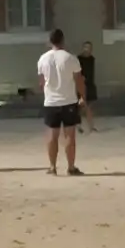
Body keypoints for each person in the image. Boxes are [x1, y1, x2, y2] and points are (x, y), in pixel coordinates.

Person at [36, 28, 85, 175]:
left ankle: (52, 166)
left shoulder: (43, 59)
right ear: (63, 40)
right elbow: (79, 80)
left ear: (50, 42)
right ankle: (70, 167)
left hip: (51, 101)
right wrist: (83, 96)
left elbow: (41, 82)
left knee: (52, 135)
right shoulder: (71, 58)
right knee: (69, 135)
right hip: (68, 100)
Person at [78, 40, 100, 132]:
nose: (87, 49)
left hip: (90, 84)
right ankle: (82, 126)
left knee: (88, 106)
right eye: (86, 47)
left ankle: (89, 126)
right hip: (81, 84)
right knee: (82, 106)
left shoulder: (92, 59)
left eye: (89, 47)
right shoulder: (78, 59)